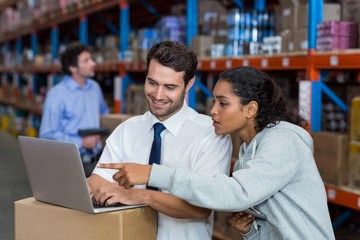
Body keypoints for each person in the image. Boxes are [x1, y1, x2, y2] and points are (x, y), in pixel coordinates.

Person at [97, 66, 335, 239]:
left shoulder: (283, 140)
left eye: (223, 103)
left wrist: (153, 174)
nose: (212, 111)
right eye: (214, 102)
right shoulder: (247, 154)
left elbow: (237, 193)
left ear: (250, 109)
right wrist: (252, 233)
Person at [87, 40, 232, 240]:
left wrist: (138, 195)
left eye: (170, 87)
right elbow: (100, 179)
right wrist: (81, 187)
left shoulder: (211, 134)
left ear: (189, 84)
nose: (157, 95)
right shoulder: (127, 130)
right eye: (152, 83)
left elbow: (201, 208)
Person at [39, 42, 109, 176]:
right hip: (68, 164)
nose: (93, 63)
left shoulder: (95, 88)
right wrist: (81, 142)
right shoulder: (57, 94)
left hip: (96, 162)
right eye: (86, 61)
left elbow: (104, 114)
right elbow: (46, 135)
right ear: (72, 67)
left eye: (91, 59)